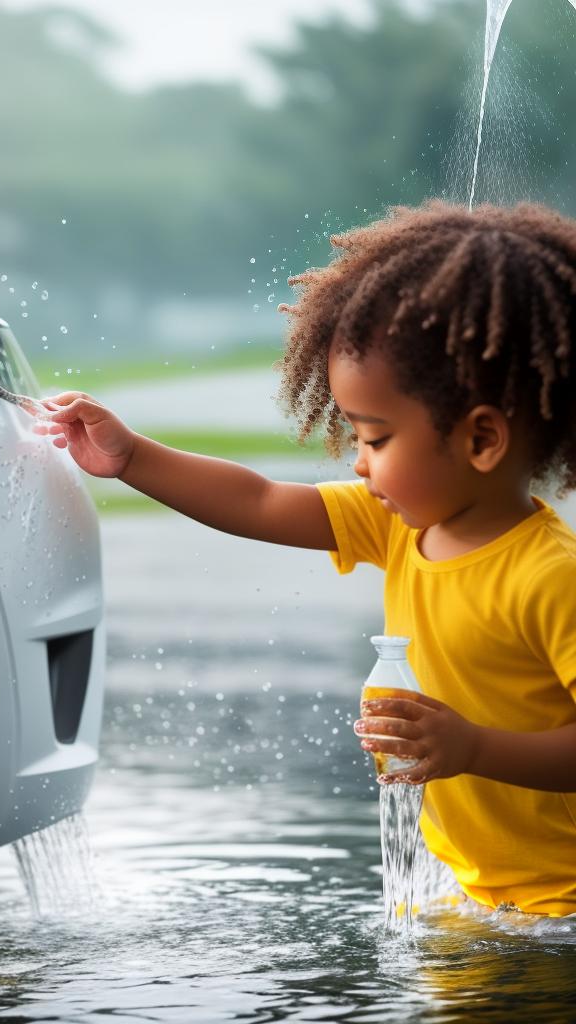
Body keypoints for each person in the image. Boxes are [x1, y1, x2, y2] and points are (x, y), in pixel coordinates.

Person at [30, 200, 576, 917]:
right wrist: (131, 457)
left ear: (481, 441)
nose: (359, 465)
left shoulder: (551, 576)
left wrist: (473, 748)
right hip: (480, 896)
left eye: (376, 439)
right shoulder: (398, 528)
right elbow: (257, 501)